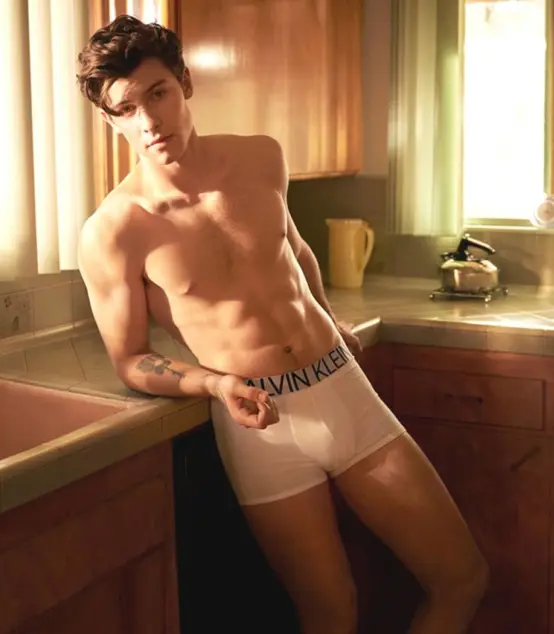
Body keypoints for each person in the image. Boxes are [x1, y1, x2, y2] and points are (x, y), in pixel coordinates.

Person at [76, 15, 488, 634]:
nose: (149, 122)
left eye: (157, 94)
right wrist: (215, 384)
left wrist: (329, 318)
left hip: (343, 387)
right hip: (260, 425)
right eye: (126, 109)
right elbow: (130, 358)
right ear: (111, 120)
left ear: (185, 83)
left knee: (462, 578)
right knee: (331, 613)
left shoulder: (261, 156)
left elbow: (293, 249)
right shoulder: (115, 231)